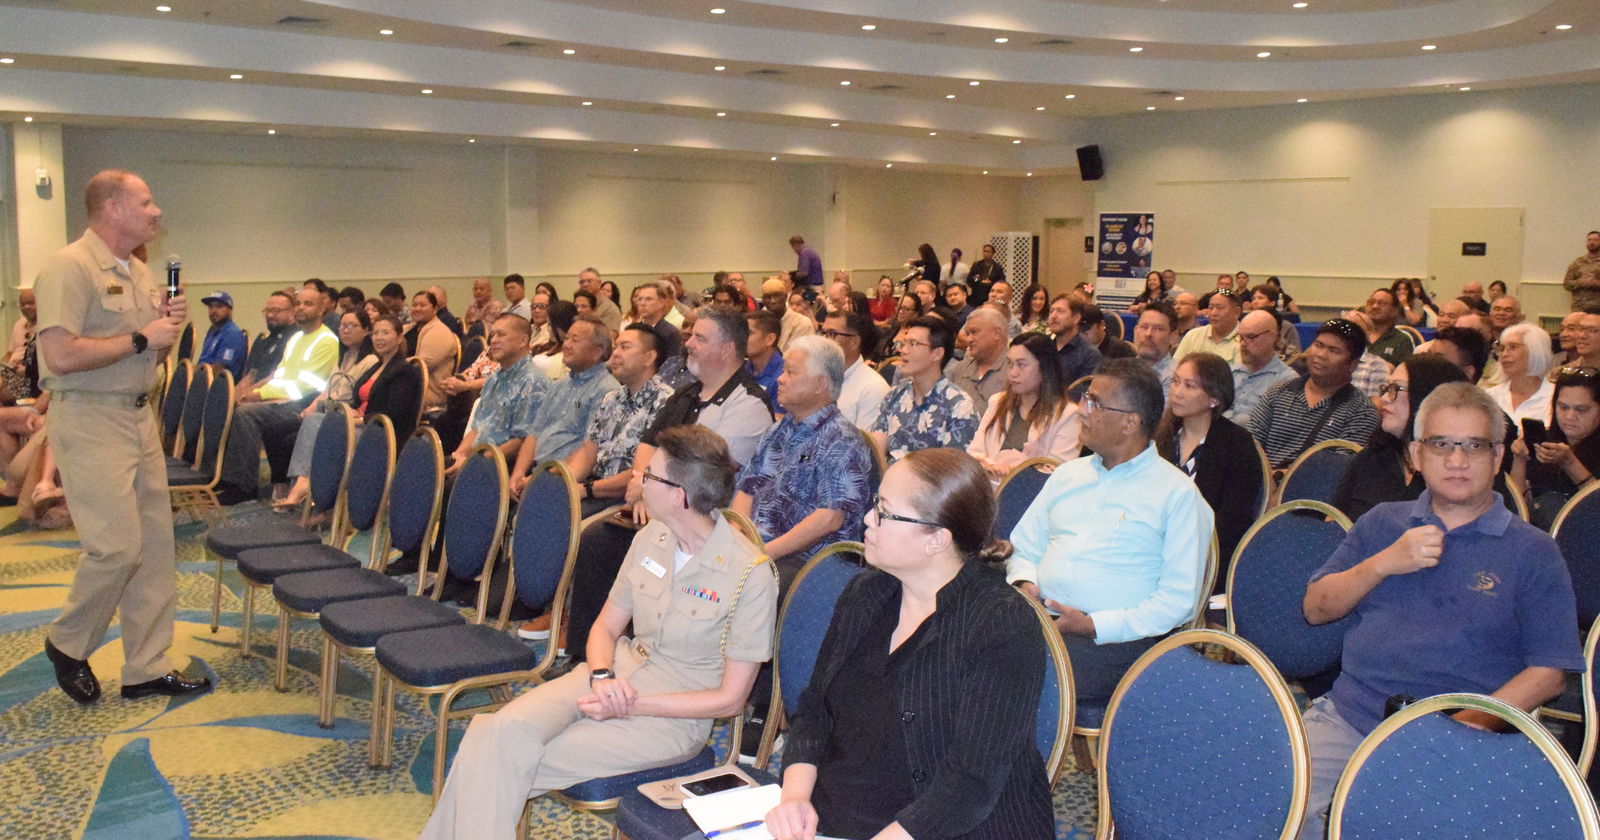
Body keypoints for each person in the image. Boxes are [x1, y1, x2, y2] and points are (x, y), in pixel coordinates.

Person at [420, 425, 778, 840]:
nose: (638, 479)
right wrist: (603, 674)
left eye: (651, 474)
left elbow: (730, 699)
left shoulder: (750, 574)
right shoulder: (651, 538)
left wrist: (633, 704)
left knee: (496, 753)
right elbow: (605, 627)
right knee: (499, 732)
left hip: (669, 719)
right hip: (608, 676)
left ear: (679, 495)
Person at [1298, 383, 1581, 840]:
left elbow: (1549, 673)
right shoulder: (1382, 524)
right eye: (1441, 444)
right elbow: (1316, 609)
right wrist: (1383, 563)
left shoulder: (1532, 550)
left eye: (1474, 446)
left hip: (1465, 730)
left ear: (1498, 456)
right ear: (1416, 454)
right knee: (1279, 809)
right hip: (1353, 715)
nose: (1456, 461)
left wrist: (1454, 731)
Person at [765, 449, 1054, 840]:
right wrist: (795, 797)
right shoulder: (866, 593)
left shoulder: (1001, 625)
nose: (868, 519)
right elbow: (815, 708)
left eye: (884, 512)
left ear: (936, 538)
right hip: (837, 818)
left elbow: (969, 785)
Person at [33, 168, 210, 703]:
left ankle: (146, 667)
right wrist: (141, 337)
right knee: (115, 549)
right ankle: (67, 641)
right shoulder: (68, 268)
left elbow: (147, 353)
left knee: (155, 548)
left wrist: (161, 334)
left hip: (137, 416)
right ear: (112, 208)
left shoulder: (137, 271)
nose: (157, 212)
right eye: (146, 202)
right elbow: (60, 356)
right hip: (89, 417)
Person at [1007, 359, 1212, 707]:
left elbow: (1178, 601)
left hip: (1117, 641)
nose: (1082, 411)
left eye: (1095, 403)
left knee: (1014, 678)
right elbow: (1023, 547)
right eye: (1085, 398)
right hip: (1041, 617)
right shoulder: (1068, 476)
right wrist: (1024, 582)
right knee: (957, 646)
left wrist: (1095, 625)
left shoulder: (1176, 495)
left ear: (1130, 422)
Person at [732, 335, 872, 580]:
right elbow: (747, 486)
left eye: (790, 372)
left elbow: (829, 519)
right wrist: (738, 535)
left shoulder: (843, 441)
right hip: (757, 548)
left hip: (805, 562)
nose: (780, 379)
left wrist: (761, 553)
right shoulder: (779, 429)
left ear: (820, 384)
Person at [277, 313, 421, 509]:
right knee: (314, 421)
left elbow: (394, 413)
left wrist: (358, 419)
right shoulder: (377, 367)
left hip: (380, 431)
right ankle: (304, 486)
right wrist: (351, 412)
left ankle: (313, 497)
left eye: (385, 333)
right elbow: (356, 399)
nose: (379, 338)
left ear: (399, 337)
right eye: (376, 333)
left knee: (327, 434)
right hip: (358, 422)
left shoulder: (405, 371)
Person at [217, 286, 340, 504]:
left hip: (306, 403)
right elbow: (281, 375)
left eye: (308, 304)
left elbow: (304, 386)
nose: (301, 308)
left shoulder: (326, 340)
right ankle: (225, 476)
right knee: (236, 406)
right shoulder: (296, 339)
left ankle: (245, 486)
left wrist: (260, 395)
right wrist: (259, 393)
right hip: (284, 398)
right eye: (299, 303)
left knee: (247, 414)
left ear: (322, 310)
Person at [1155, 352, 1263, 578]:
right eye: (1176, 381)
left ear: (1214, 398)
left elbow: (1231, 522)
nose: (1177, 392)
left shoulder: (1237, 445)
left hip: (1205, 556)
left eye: (1190, 386)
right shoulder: (1161, 435)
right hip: (1152, 545)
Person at [1331, 354, 1468, 522]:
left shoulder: (1465, 469)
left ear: (1428, 397)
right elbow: (1333, 525)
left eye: (1396, 389)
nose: (1384, 399)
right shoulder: (1373, 456)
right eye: (1386, 389)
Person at [271, 307, 376, 507]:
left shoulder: (369, 361)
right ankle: (288, 486)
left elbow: (352, 399)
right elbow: (327, 388)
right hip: (325, 409)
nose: (345, 330)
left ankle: (301, 489)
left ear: (366, 330)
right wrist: (311, 406)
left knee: (299, 432)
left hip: (342, 414)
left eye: (352, 326)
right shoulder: (342, 357)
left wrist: (318, 408)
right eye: (343, 326)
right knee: (275, 430)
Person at [507, 314, 621, 492]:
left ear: (598, 351)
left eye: (575, 340)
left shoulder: (607, 391)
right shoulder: (558, 385)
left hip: (563, 478)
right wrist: (517, 475)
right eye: (566, 338)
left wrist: (537, 479)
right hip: (535, 472)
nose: (566, 345)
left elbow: (588, 451)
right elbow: (534, 434)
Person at [1248, 319, 1380, 469]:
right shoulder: (1280, 391)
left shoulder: (1361, 412)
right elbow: (1251, 443)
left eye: (1334, 350)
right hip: (1262, 483)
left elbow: (1339, 471)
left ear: (1353, 364)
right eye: (1318, 345)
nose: (1321, 354)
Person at [967, 333, 1081, 481]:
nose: (1013, 373)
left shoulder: (1067, 415)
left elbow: (1058, 472)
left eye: (1021, 365)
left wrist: (1014, 472)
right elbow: (974, 453)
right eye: (1010, 364)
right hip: (988, 489)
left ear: (1045, 368)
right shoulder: (997, 402)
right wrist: (992, 467)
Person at [445, 313, 549, 474]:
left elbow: (522, 440)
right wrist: (458, 455)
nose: (493, 340)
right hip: (478, 458)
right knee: (428, 471)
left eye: (501, 334)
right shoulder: (493, 379)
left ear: (522, 340)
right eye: (492, 335)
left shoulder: (533, 381)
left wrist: (471, 464)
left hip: (503, 465)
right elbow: (477, 428)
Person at [870, 315, 979, 462]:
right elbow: (876, 450)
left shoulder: (959, 405)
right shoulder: (895, 395)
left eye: (913, 344)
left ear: (937, 354)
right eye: (903, 343)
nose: (904, 351)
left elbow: (954, 471)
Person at [1513, 367, 1600, 529]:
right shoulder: (1545, 442)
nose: (1570, 417)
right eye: (1563, 407)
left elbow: (1596, 507)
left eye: (1581, 409)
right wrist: (1519, 459)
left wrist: (1570, 463)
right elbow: (1517, 508)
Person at [1227, 309, 1298, 423]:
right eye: (1240, 338)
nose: (1243, 344)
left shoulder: (1287, 382)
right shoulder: (1229, 373)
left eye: (1251, 337)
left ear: (1273, 337)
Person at [824, 309, 890, 431]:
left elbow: (865, 446)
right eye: (823, 333)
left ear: (853, 342)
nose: (824, 341)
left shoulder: (873, 388)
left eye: (832, 334)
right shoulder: (819, 376)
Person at [1486, 322, 1555, 426]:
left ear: (1535, 351)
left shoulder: (1555, 398)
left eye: (1513, 347)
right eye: (1502, 348)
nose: (1504, 354)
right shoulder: (1490, 397)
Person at [946, 307, 1011, 409]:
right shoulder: (957, 371)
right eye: (968, 333)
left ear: (996, 333)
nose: (969, 339)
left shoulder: (1016, 371)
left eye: (974, 332)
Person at [404, 290, 458, 410]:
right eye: (414, 305)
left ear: (435, 309)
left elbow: (421, 366)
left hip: (427, 393)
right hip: (406, 386)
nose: (417, 309)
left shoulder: (440, 332)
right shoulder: (408, 328)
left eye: (422, 305)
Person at [238, 290, 297, 395]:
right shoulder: (265, 340)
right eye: (267, 310)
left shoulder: (295, 338)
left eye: (276, 311)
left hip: (273, 395)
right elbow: (251, 375)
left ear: (291, 312)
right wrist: (234, 395)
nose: (270, 315)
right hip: (254, 393)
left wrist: (247, 394)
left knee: (241, 411)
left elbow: (275, 377)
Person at [1046, 294, 1104, 385]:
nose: (1053, 316)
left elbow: (1081, 394)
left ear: (1076, 318)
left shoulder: (1090, 355)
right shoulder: (1043, 347)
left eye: (1060, 311)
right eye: (1051, 311)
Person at [1174, 288, 1242, 364]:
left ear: (1236, 312)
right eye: (1210, 308)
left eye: (1219, 308)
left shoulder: (1246, 340)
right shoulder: (1193, 336)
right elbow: (1175, 367)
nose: (1213, 313)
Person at [195, 290, 247, 381]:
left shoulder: (232, 334)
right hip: (202, 383)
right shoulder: (212, 332)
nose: (214, 311)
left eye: (219, 307)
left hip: (219, 389)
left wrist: (190, 373)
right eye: (211, 307)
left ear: (230, 310)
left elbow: (218, 369)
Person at [1131, 301, 1179, 396]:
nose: (1148, 334)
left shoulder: (1176, 379)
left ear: (1173, 336)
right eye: (1144, 327)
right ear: (1135, 331)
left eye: (1158, 329)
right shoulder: (1122, 371)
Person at [1362, 287, 1415, 365]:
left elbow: (1404, 372)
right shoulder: (1356, 334)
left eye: (1381, 303)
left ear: (1395, 310)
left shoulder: (1402, 340)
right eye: (1371, 302)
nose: (1375, 306)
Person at [745, 309, 784, 403]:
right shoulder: (743, 369)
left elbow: (778, 417)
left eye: (748, 333)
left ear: (769, 339)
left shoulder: (783, 376)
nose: (741, 337)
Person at [576, 268, 623, 332]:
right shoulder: (577, 306)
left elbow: (610, 337)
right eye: (582, 282)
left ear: (599, 283)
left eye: (589, 281)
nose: (585, 284)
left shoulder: (610, 309)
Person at [1564, 231, 1600, 311]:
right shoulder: (1577, 262)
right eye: (1589, 240)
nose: (1591, 242)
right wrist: (1580, 282)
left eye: (1595, 240)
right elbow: (1567, 284)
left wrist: (1595, 283)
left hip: (1598, 308)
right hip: (1579, 308)